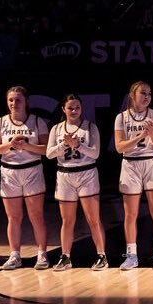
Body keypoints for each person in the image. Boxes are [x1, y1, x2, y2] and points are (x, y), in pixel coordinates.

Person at [0, 86, 50, 270]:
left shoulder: (37, 122)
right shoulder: (0, 123)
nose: (14, 103)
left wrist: (26, 146)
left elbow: (46, 150)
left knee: (36, 216)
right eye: (11, 100)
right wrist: (10, 144)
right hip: (9, 172)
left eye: (18, 100)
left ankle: (42, 254)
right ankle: (15, 255)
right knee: (13, 217)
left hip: (32, 170)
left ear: (26, 102)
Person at [46, 94, 107, 271]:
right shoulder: (57, 129)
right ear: (63, 109)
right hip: (65, 175)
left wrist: (77, 145)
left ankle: (101, 255)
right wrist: (63, 146)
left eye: (77, 108)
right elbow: (49, 154)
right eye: (70, 108)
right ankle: (65, 257)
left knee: (93, 219)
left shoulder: (89, 127)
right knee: (67, 220)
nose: (74, 111)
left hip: (87, 173)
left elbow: (95, 154)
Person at [114, 81, 153, 270]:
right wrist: (140, 136)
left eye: (149, 94)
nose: (147, 97)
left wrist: (152, 133)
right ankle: (131, 255)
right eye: (143, 93)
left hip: (152, 162)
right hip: (130, 164)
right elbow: (119, 147)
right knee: (130, 214)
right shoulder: (121, 117)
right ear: (132, 95)